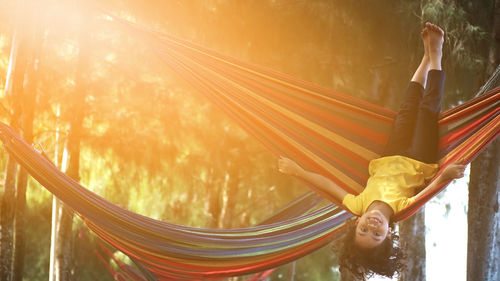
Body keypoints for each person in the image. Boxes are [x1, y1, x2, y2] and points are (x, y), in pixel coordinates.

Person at [278, 22, 466, 280]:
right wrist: (446, 176)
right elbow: (430, 191)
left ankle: (424, 59)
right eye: (377, 235)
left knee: (407, 107)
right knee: (427, 110)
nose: (371, 227)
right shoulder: (400, 208)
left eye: (363, 231)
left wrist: (298, 171)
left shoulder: (358, 205)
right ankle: (436, 54)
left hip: (390, 154)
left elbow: (327, 184)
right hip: (419, 157)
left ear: (356, 224)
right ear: (389, 233)